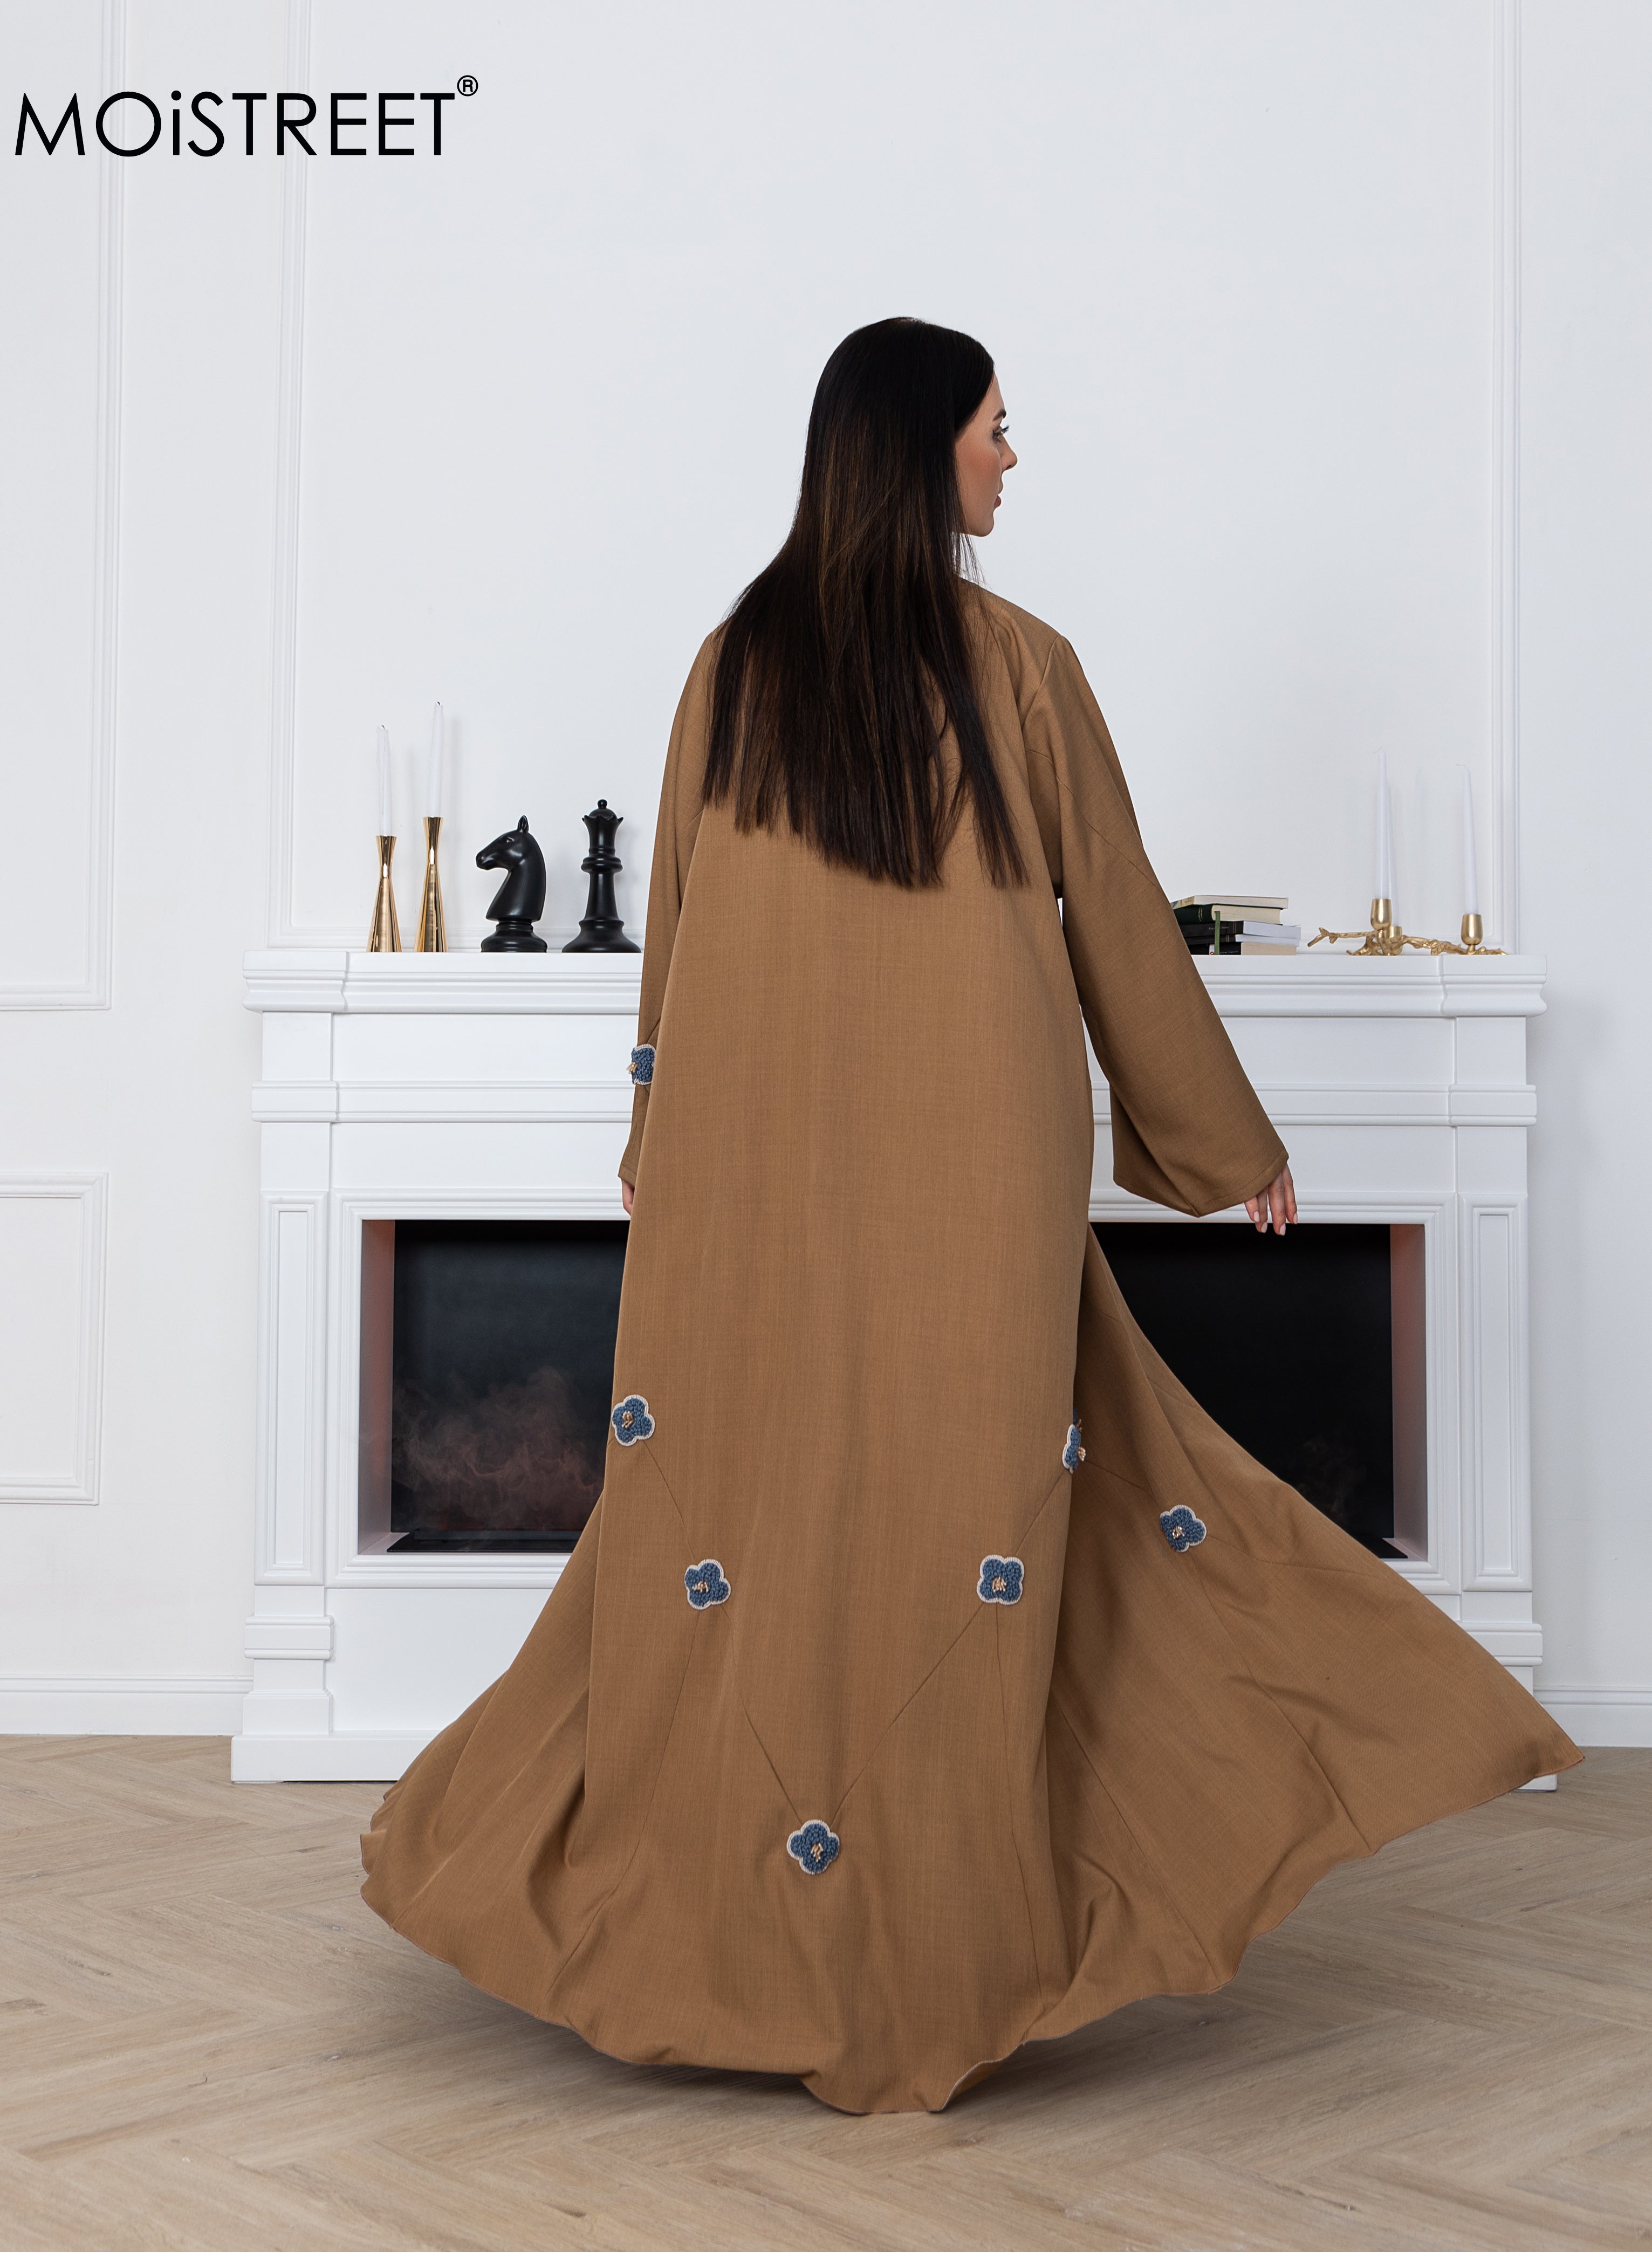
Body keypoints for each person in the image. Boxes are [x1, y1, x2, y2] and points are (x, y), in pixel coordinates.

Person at [361, 318, 1578, 2113]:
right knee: (951, 1526)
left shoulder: (739, 662)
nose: (1014, 458)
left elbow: (675, 929)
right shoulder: (1010, 666)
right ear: (921, 446)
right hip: (949, 1171)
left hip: (755, 1170)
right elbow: (1119, 920)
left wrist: (655, 1130)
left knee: (799, 1528)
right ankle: (919, 1955)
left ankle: (798, 1944)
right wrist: (1224, 1141)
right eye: (998, 429)